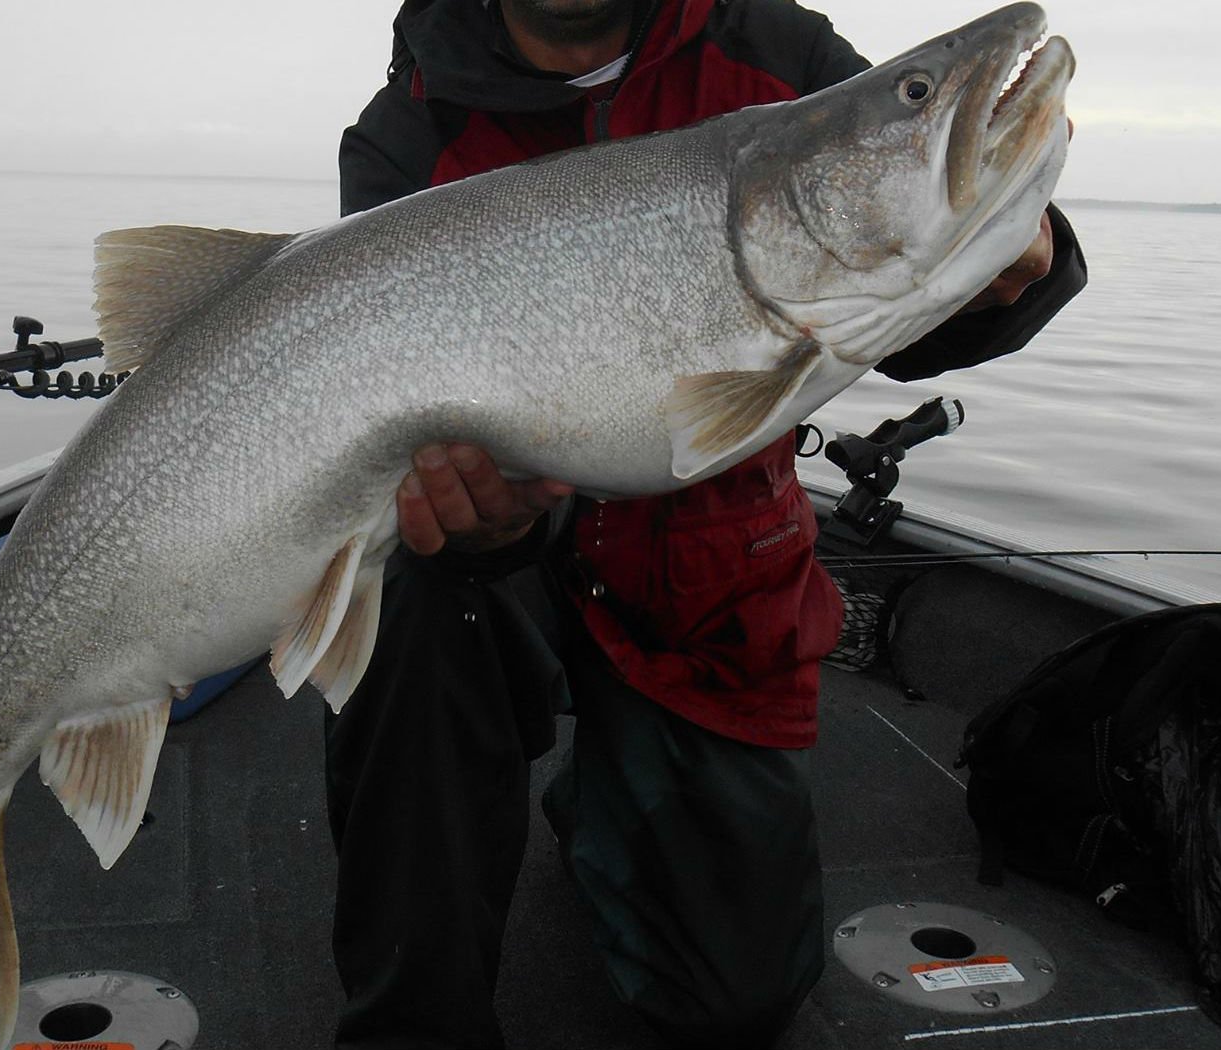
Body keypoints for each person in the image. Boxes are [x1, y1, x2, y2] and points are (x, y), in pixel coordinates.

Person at [323, 2, 1087, 1048]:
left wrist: (1009, 265)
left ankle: (608, 802)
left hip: (707, 561)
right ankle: (416, 1025)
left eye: (921, 95)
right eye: (918, 93)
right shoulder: (405, 129)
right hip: (493, 566)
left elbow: (883, 283)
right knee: (399, 602)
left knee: (733, 1002)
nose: (921, 101)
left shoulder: (774, 55)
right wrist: (480, 526)